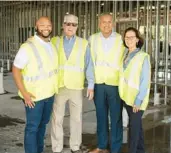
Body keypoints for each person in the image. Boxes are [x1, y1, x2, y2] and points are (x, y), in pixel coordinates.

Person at [12, 16, 58, 153]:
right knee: (32, 127)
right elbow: (15, 70)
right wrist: (25, 94)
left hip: (49, 94)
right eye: (42, 25)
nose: (46, 28)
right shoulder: (28, 47)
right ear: (36, 27)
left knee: (42, 125)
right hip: (33, 96)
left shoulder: (50, 44)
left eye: (48, 25)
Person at [51, 14, 94, 153]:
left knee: (76, 119)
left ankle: (75, 146)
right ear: (63, 25)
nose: (70, 27)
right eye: (68, 24)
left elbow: (89, 65)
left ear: (77, 27)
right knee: (57, 119)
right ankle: (56, 147)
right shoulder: (54, 42)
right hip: (59, 86)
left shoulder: (84, 43)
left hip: (76, 87)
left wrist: (91, 85)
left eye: (73, 24)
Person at [89, 13, 125, 153]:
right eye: (104, 22)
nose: (106, 24)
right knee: (101, 116)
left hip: (115, 84)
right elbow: (90, 62)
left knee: (116, 118)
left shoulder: (120, 39)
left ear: (113, 24)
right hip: (98, 84)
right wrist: (91, 85)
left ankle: (116, 148)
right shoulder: (92, 39)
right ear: (99, 24)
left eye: (109, 22)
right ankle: (102, 146)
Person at [119, 27, 151, 153]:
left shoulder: (143, 57)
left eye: (132, 37)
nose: (129, 40)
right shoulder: (125, 54)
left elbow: (145, 81)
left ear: (137, 39)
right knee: (138, 128)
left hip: (136, 101)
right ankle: (141, 150)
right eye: (127, 37)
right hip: (126, 98)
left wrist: (138, 100)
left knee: (133, 129)